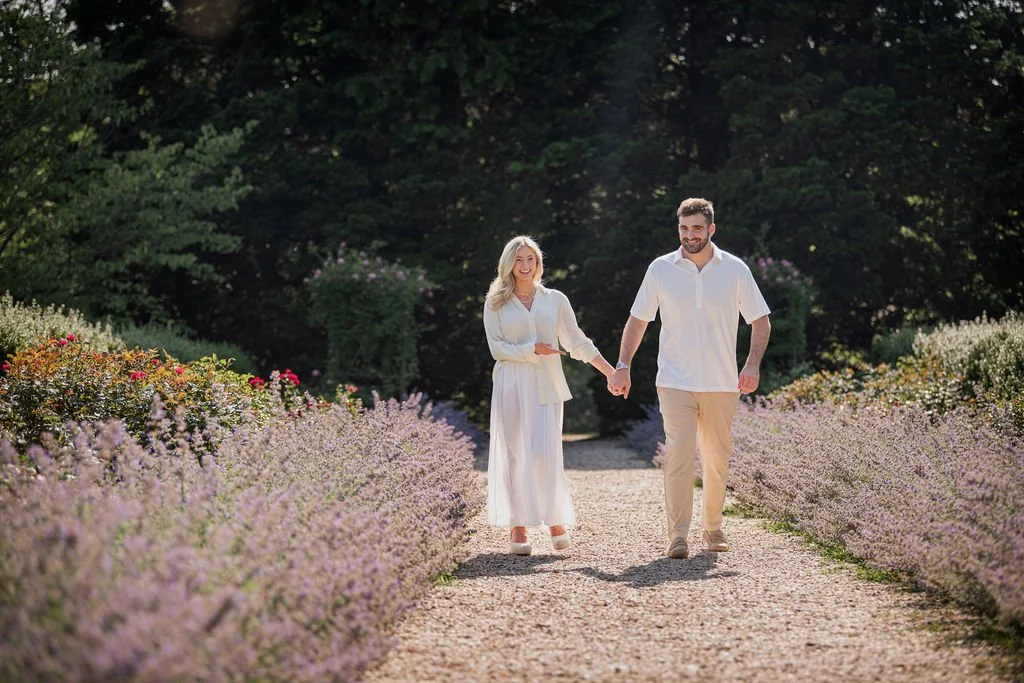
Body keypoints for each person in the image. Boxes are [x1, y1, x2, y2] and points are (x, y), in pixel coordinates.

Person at [608, 198, 771, 559]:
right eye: (684, 228)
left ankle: (712, 528)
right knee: (679, 455)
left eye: (697, 228)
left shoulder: (735, 270)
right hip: (674, 380)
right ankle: (678, 535)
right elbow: (638, 320)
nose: (689, 235)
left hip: (721, 382)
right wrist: (623, 363)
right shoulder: (661, 269)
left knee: (716, 458)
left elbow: (760, 320)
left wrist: (752, 365)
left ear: (711, 229)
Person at [483, 235, 615, 556]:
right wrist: (532, 350)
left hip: (546, 384)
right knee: (515, 453)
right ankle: (518, 524)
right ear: (509, 264)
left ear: (538, 263)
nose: (526, 265)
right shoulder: (495, 302)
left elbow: (576, 341)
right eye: (519, 259)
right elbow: (497, 348)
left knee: (545, 453)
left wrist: (610, 371)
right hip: (511, 382)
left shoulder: (555, 299)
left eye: (531, 259)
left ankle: (555, 519)